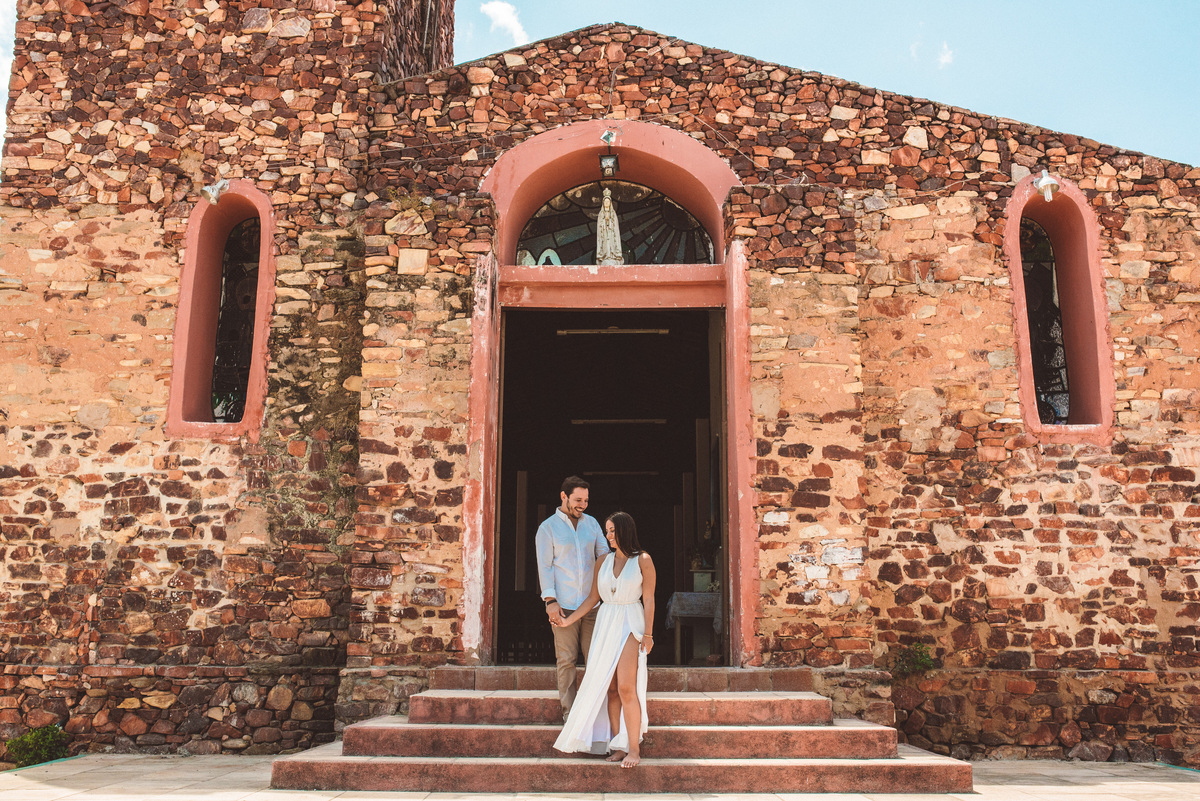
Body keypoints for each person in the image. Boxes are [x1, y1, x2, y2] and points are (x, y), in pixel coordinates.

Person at [553, 511, 656, 768]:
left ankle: (634, 749)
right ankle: (617, 744)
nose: (608, 535)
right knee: (610, 689)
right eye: (607, 531)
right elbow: (592, 599)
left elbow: (650, 599)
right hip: (606, 622)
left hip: (631, 622)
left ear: (624, 531)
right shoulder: (602, 561)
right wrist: (568, 621)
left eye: (612, 531)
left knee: (626, 687)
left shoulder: (643, 560)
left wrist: (649, 634)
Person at [535, 475, 610, 718]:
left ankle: (591, 714)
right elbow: (545, 567)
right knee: (566, 660)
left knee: (595, 659)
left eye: (586, 500)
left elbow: (604, 555)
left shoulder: (592, 524)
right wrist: (550, 601)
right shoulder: (547, 528)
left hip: (592, 606)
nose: (583, 505)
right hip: (563, 605)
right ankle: (570, 714)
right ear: (563, 496)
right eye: (578, 499)